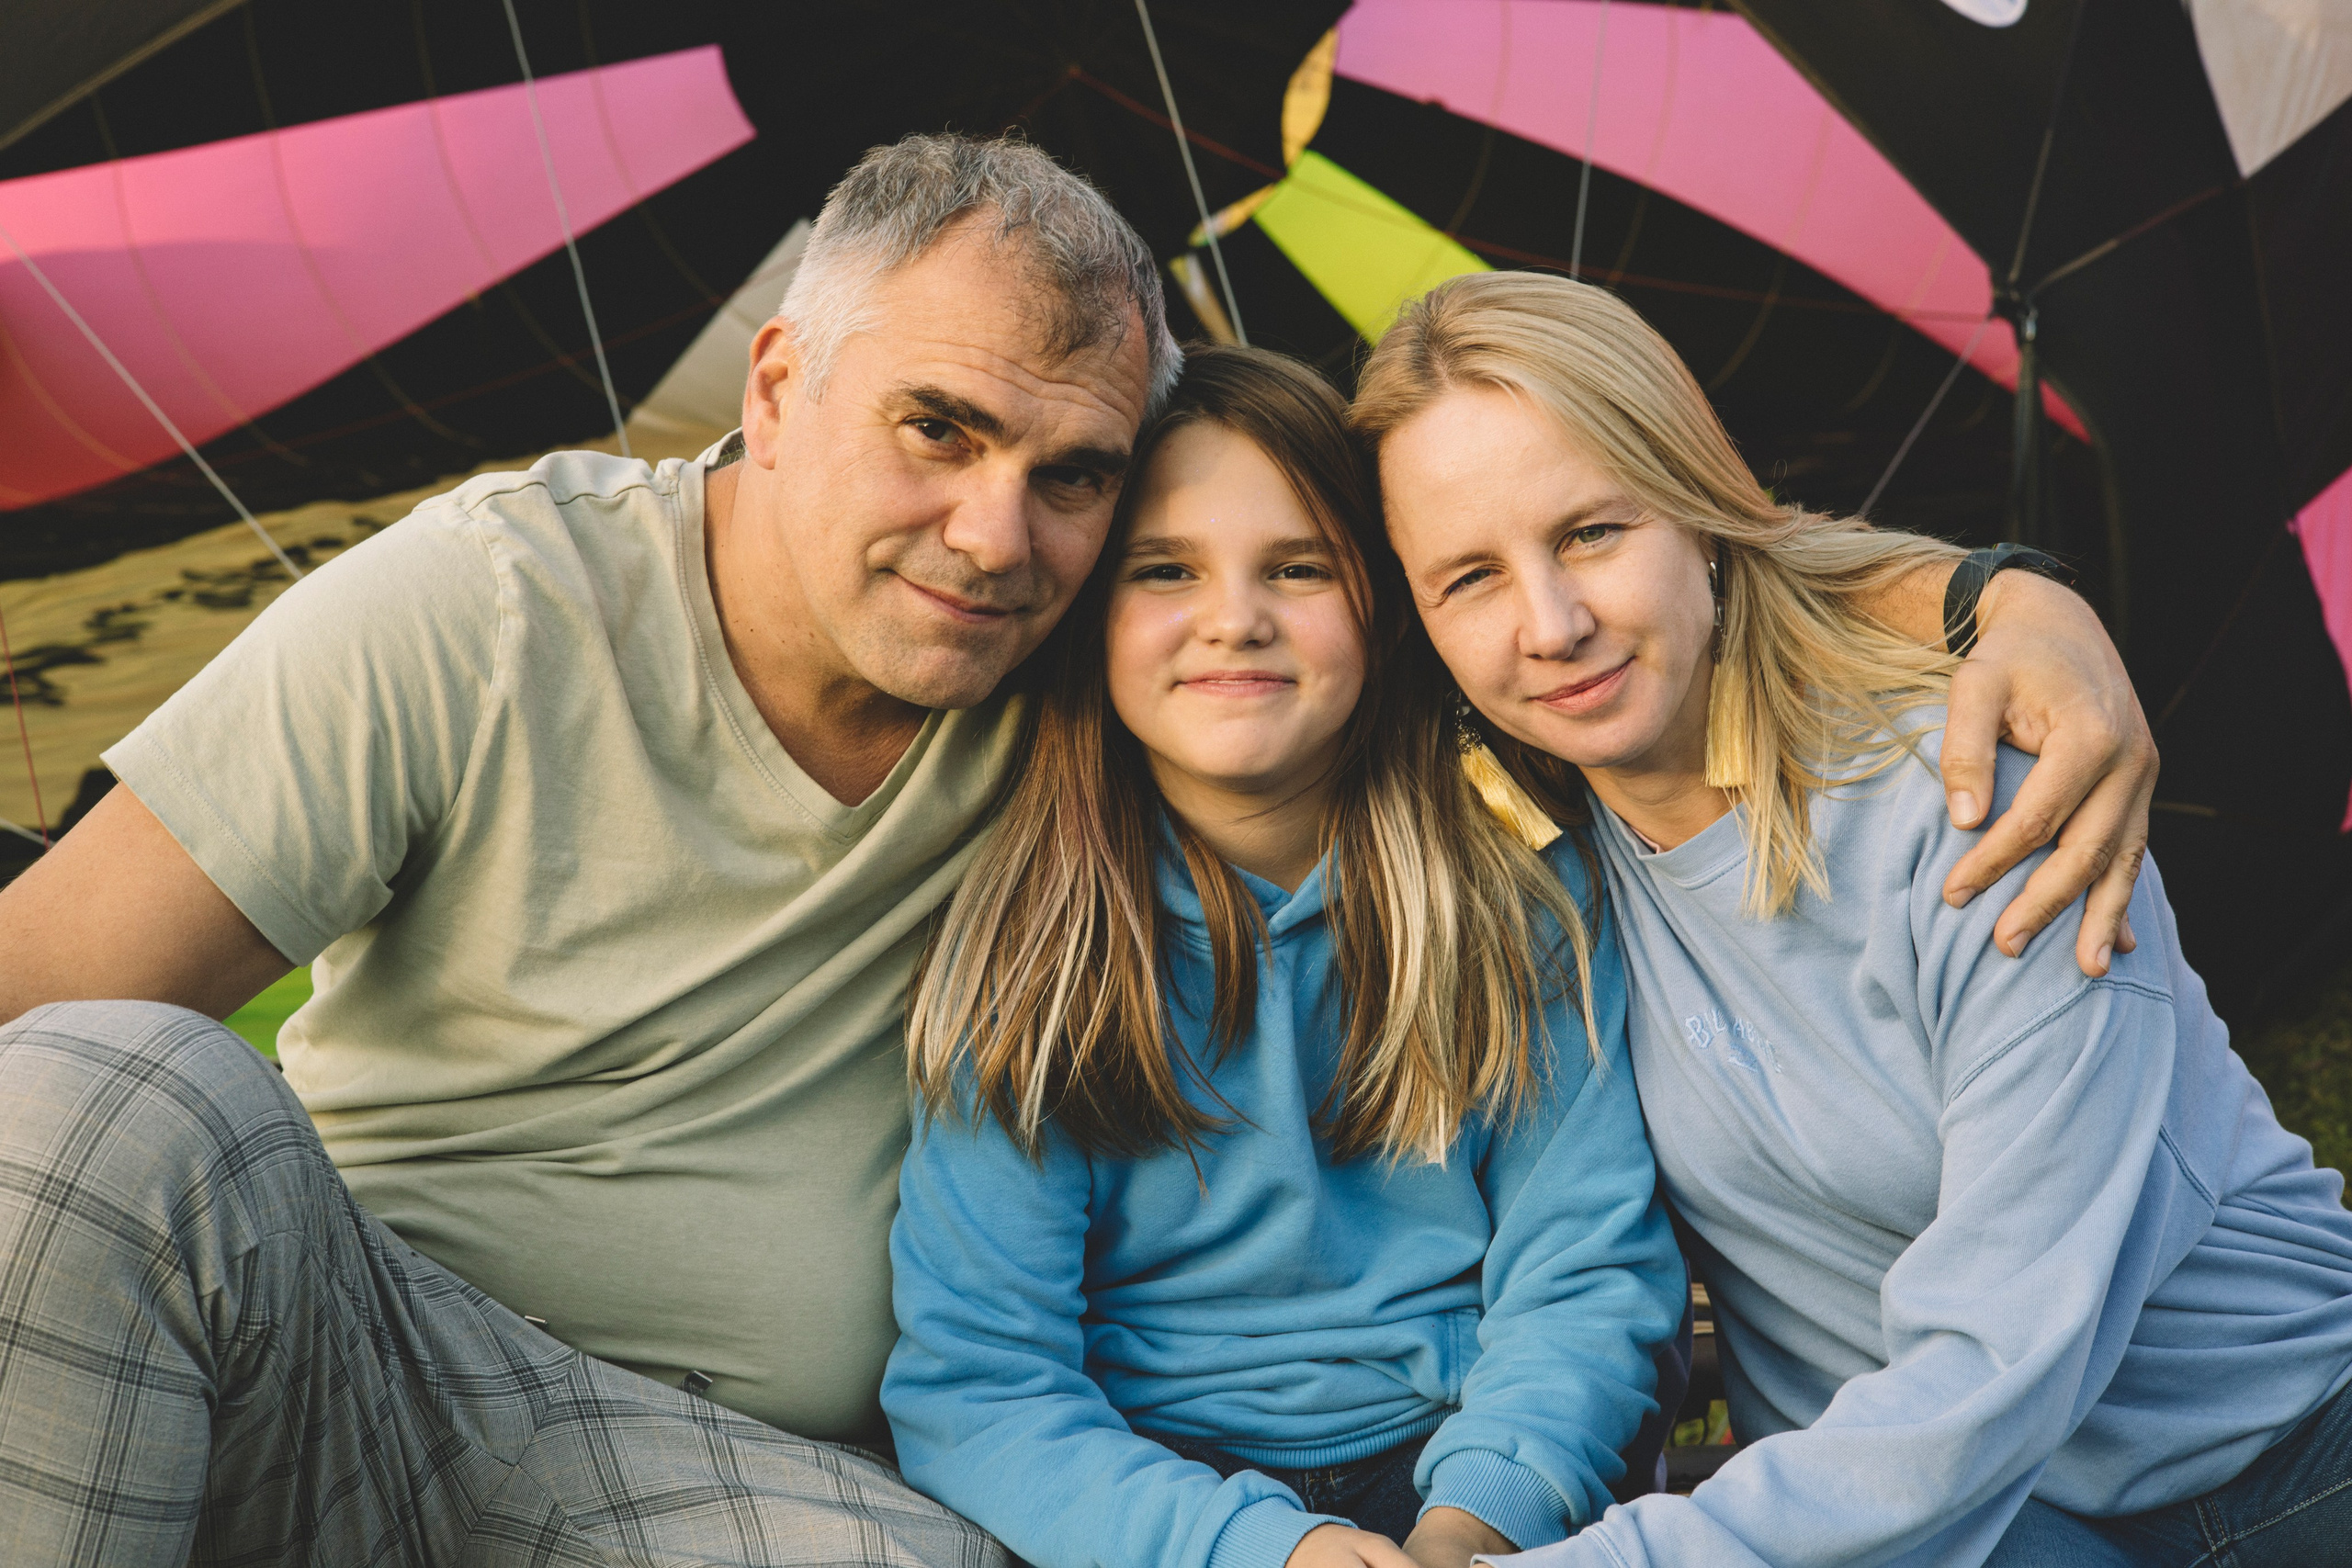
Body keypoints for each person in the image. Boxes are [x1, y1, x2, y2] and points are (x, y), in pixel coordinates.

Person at [0, 127, 2148, 1562]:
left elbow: (1599, 545)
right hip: (362, 1355)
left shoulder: (1070, 673)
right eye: (935, 428)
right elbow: (32, 1014)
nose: (992, 531)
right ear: (772, 385)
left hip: (735, 1483)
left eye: (1069, 479)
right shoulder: (493, 609)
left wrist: (2008, 596)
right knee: (95, 1094)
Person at [1358, 269, 2352, 1568]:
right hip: (1967, 1530)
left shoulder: (1963, 794)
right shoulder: (1528, 880)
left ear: (1700, 513)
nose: (1552, 625)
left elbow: (2001, 1352)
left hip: (2280, 1452)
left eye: (1594, 531)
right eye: (1471, 578)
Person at [882, 346, 1684, 1568]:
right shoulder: (1032, 952)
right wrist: (1267, 1551)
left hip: (1489, 1466)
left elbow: (1587, 1272)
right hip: (1156, 1503)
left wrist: (1473, 1527)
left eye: (1298, 567)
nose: (1235, 618)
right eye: (1165, 571)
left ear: (1384, 603)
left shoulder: (1516, 896)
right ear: (1095, 619)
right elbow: (980, 1386)